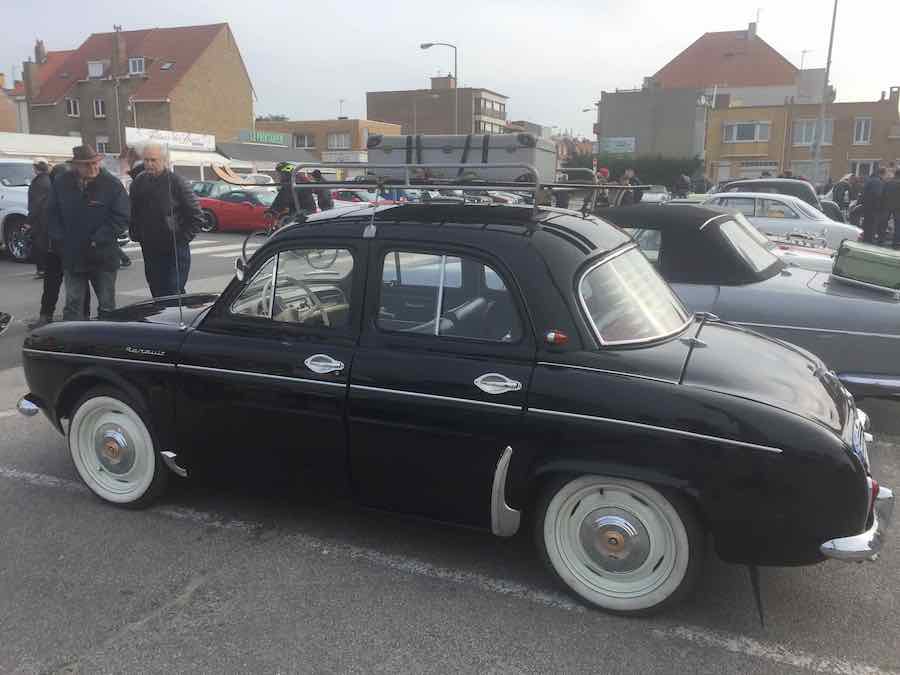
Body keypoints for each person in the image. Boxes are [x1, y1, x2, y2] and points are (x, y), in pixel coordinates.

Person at [47, 145, 129, 321]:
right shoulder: (61, 182)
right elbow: (52, 213)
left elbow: (122, 217)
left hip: (102, 254)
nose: (93, 167)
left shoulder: (112, 184)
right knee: (73, 303)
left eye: (95, 163)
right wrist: (60, 239)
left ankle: (106, 336)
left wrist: (98, 238)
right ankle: (73, 335)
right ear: (75, 165)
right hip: (73, 255)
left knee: (107, 305)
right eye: (87, 164)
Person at [129, 143, 203, 297]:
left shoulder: (177, 182)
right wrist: (136, 233)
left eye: (153, 160)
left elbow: (196, 216)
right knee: (156, 289)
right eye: (146, 160)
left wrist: (181, 240)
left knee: (173, 292)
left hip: (174, 249)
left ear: (164, 160)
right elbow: (133, 211)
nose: (149, 164)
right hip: (150, 247)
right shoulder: (139, 182)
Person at [27, 158, 52, 280]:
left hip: (40, 219)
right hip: (46, 218)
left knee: (40, 245)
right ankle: (46, 269)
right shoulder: (48, 179)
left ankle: (42, 270)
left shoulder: (39, 182)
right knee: (45, 244)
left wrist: (29, 220)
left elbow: (36, 203)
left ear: (36, 168)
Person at [860, 168, 887, 244]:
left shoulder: (870, 180)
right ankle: (869, 241)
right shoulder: (877, 182)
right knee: (872, 226)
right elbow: (878, 195)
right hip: (874, 208)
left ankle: (865, 240)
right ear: (882, 174)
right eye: (885, 175)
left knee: (866, 224)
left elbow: (863, 194)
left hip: (867, 207)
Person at [883, 169, 900, 249]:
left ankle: (881, 240)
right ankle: (896, 243)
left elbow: (883, 194)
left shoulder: (888, 183)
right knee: (898, 225)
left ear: (895, 174)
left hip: (887, 205)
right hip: (898, 207)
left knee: (884, 223)